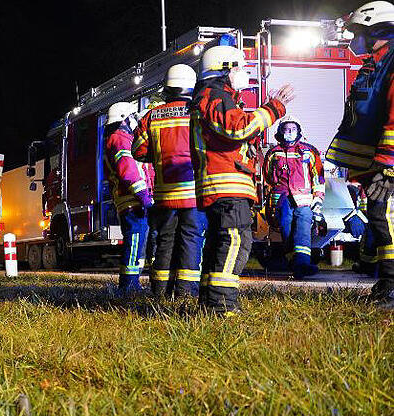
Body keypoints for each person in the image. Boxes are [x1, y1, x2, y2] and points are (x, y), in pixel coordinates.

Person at [190, 45, 293, 314]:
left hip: (221, 184)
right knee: (235, 240)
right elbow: (238, 128)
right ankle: (222, 306)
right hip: (226, 184)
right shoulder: (215, 95)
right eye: (238, 68)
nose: (242, 73)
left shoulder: (213, 96)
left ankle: (210, 303)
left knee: (219, 243)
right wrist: (271, 110)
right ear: (225, 69)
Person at [327, 1, 394, 308]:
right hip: (375, 164)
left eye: (359, 32)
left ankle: (392, 285)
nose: (355, 40)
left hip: (387, 164)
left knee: (387, 219)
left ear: (378, 30)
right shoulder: (375, 64)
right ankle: (386, 282)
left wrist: (388, 164)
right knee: (380, 219)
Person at [133, 64, 207, 298]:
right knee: (190, 240)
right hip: (194, 192)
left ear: (167, 87)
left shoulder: (152, 116)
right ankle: (186, 291)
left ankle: (160, 290)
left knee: (165, 240)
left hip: (165, 194)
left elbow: (138, 151)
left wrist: (158, 155)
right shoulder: (199, 111)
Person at [262, 117, 325, 279]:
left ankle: (302, 262)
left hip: (304, 200)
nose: (289, 133)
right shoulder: (273, 153)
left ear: (298, 131)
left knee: (302, 228)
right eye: (286, 129)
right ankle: (294, 262)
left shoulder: (309, 152)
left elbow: (318, 178)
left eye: (292, 129)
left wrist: (317, 203)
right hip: (282, 199)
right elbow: (269, 177)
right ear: (280, 132)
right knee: (286, 229)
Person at [105, 101, 155, 293]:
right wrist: (143, 195)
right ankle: (128, 286)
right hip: (132, 201)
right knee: (134, 242)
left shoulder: (122, 137)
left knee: (141, 244)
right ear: (125, 118)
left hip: (133, 200)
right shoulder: (120, 138)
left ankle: (136, 284)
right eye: (132, 117)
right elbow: (128, 169)